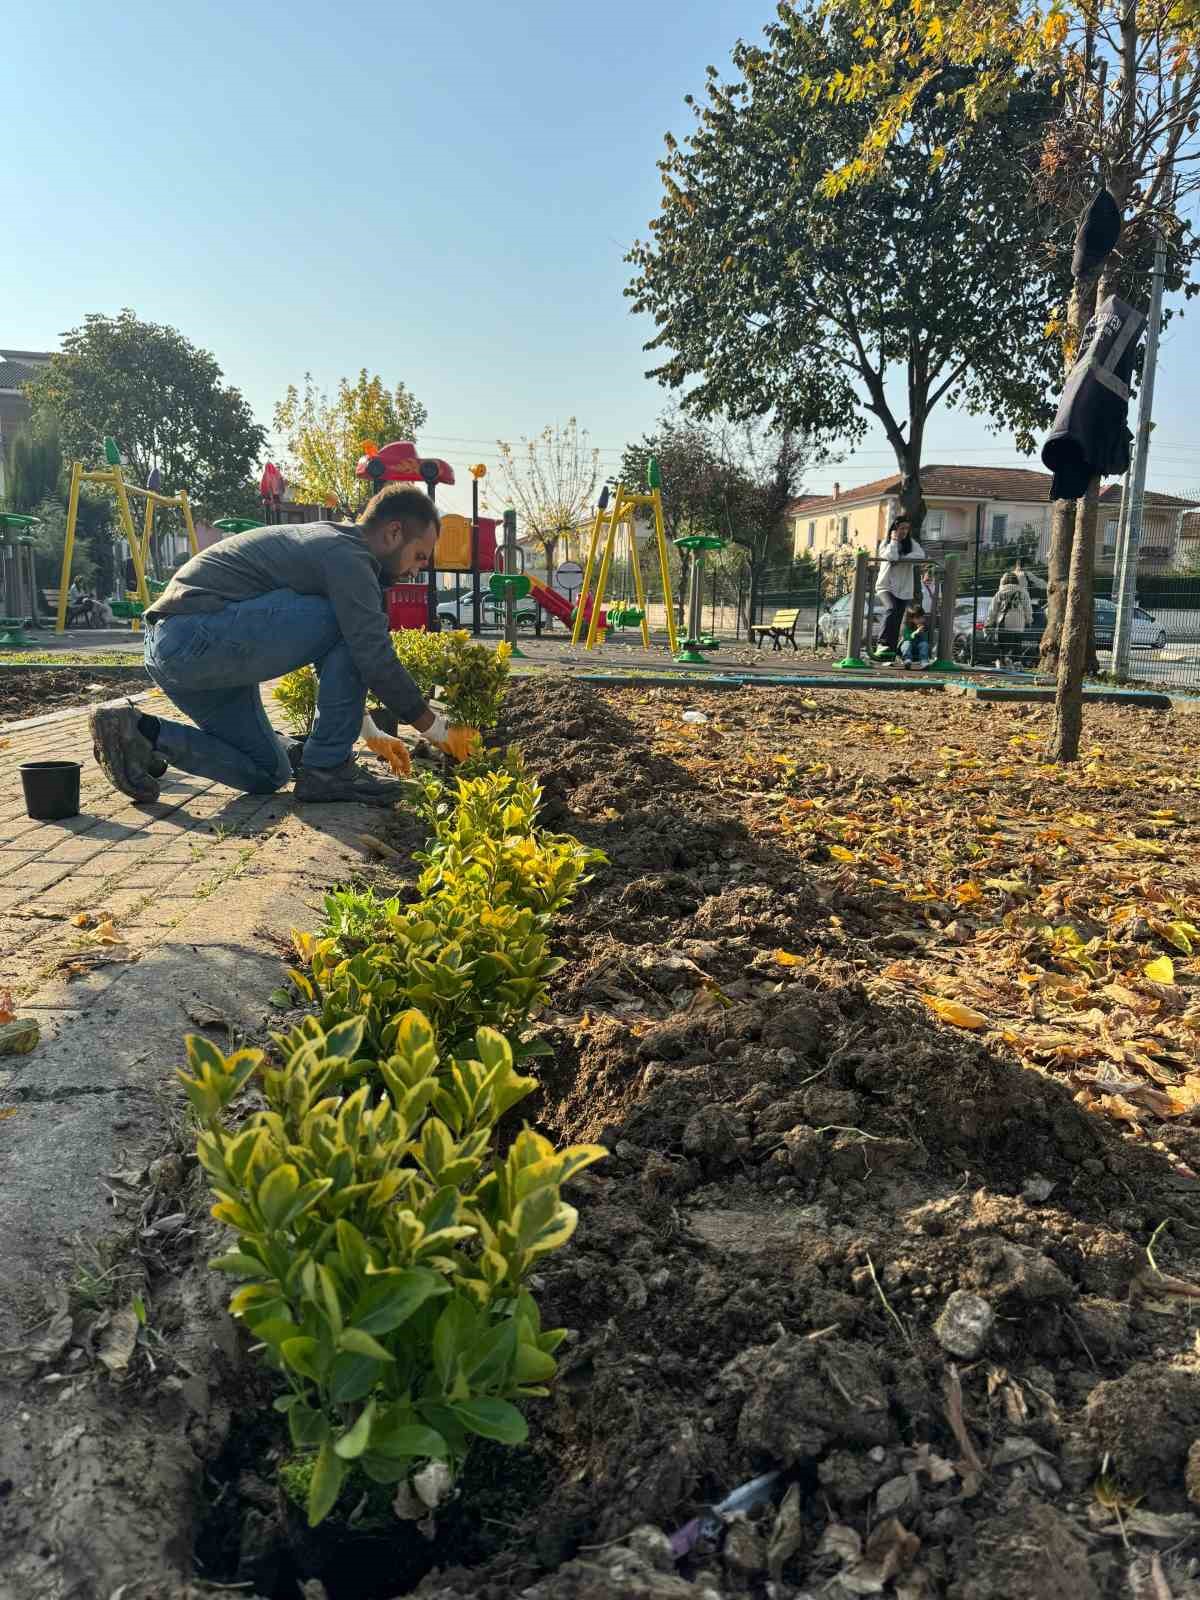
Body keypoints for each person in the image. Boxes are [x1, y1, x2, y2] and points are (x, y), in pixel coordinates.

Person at [88, 483, 472, 807]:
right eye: (420, 556)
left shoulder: (338, 552)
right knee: (353, 625)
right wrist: (439, 731)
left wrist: (369, 731)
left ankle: (139, 732)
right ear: (392, 533)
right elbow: (369, 651)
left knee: (267, 772)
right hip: (191, 635)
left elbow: (337, 656)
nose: (418, 568)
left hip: (187, 652)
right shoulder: (347, 556)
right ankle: (328, 769)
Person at [872, 515, 926, 660]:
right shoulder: (886, 543)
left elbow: (921, 555)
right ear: (894, 529)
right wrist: (894, 541)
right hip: (886, 586)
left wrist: (904, 558)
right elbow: (891, 556)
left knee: (897, 618)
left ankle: (890, 652)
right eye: (901, 528)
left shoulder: (911, 543)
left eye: (907, 529)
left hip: (903, 589)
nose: (904, 531)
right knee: (891, 608)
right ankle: (881, 643)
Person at [987, 570, 1034, 657]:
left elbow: (992, 610)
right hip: (1019, 625)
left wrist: (989, 623)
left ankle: (1004, 663)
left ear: (1003, 581)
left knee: (1004, 650)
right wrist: (1028, 621)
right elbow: (1028, 609)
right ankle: (1016, 664)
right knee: (1017, 649)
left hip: (1004, 624)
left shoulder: (1000, 593)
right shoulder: (1024, 592)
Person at [898, 604, 930, 669]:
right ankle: (907, 660)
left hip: (918, 647)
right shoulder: (907, 627)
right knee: (907, 644)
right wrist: (915, 633)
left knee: (924, 644)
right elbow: (907, 637)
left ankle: (924, 661)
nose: (921, 619)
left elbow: (925, 639)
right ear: (911, 619)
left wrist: (922, 633)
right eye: (918, 618)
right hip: (908, 646)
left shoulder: (924, 626)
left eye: (922, 617)